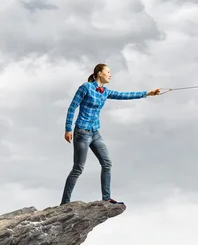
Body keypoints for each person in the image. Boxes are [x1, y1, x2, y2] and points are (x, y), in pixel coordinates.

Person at [60, 63, 160, 206]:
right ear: (99, 73)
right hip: (82, 132)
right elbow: (72, 107)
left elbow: (124, 95)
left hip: (95, 133)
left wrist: (148, 93)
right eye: (108, 72)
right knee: (78, 168)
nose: (110, 74)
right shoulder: (86, 87)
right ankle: (65, 202)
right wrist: (68, 129)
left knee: (107, 163)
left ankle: (106, 198)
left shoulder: (105, 92)